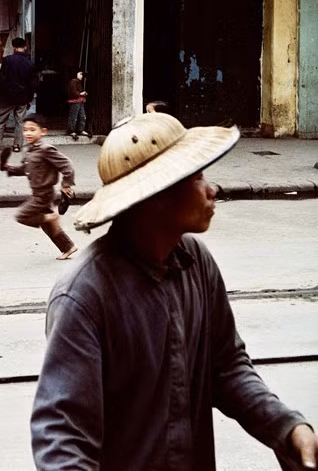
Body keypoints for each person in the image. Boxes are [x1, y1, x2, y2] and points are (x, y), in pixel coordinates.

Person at [31, 112, 318, 469]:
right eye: (198, 177)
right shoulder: (84, 295)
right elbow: (62, 437)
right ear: (158, 196)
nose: (212, 190)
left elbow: (226, 368)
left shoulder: (195, 262)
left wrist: (288, 427)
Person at [0, 113, 78, 260]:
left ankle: (52, 217)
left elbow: (67, 165)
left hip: (44, 194)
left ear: (43, 132)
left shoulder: (46, 149)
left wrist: (66, 184)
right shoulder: (30, 150)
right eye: (25, 130)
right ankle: (68, 247)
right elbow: (25, 169)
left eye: (32, 129)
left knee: (22, 216)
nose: (28, 133)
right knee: (47, 225)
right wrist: (8, 168)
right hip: (39, 192)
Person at [0, 36, 35, 153]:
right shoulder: (30, 64)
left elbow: (2, 79)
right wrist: (29, 99)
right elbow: (32, 84)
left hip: (7, 97)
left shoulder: (7, 60)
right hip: (22, 98)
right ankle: (17, 146)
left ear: (13, 47)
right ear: (25, 47)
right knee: (20, 122)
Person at [65, 69, 89, 140]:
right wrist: (81, 93)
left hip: (80, 101)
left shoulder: (77, 82)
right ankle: (71, 131)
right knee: (74, 116)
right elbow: (73, 93)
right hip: (75, 101)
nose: (82, 76)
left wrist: (83, 93)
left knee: (82, 116)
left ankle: (80, 130)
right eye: (80, 74)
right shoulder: (73, 82)